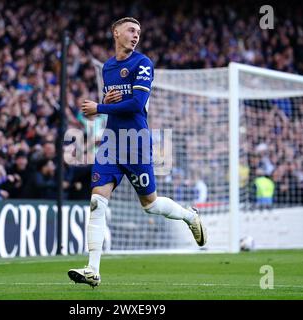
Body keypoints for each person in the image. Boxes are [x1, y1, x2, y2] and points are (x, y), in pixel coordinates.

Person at [68, 17, 207, 287]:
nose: (135, 36)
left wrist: (101, 107)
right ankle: (92, 270)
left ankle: (190, 216)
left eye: (139, 32)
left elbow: (137, 103)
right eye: (131, 30)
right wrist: (107, 102)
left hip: (137, 142)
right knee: (97, 201)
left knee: (150, 205)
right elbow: (116, 99)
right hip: (111, 144)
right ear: (116, 32)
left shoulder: (143, 63)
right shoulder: (108, 67)